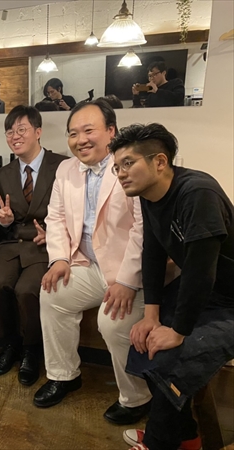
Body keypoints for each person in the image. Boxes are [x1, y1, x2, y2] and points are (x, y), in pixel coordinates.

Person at [108, 123, 234, 450]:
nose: (120, 173)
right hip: (204, 292)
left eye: (128, 163)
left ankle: (158, 442)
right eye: (116, 167)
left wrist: (178, 330)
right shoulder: (148, 195)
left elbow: (201, 271)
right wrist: (151, 316)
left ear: (160, 162)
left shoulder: (198, 193)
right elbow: (152, 253)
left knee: (170, 359)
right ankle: (186, 438)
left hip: (228, 300)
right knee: (142, 339)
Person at [33, 99, 152, 426]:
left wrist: (127, 281)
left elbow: (143, 229)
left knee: (112, 323)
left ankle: (137, 397)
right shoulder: (66, 169)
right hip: (86, 263)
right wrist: (59, 258)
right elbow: (55, 218)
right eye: (73, 133)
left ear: (111, 132)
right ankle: (64, 375)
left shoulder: (129, 166)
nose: (80, 140)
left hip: (131, 272)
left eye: (89, 131)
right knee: (53, 295)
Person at [0, 106, 68, 385]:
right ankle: (10, 345)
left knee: (28, 290)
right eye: (10, 132)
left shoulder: (62, 166)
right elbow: (2, 218)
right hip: (12, 243)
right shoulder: (4, 174)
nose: (15, 136)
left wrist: (54, 233)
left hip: (45, 244)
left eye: (22, 130)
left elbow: (75, 210)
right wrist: (5, 220)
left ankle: (32, 350)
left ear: (38, 131)